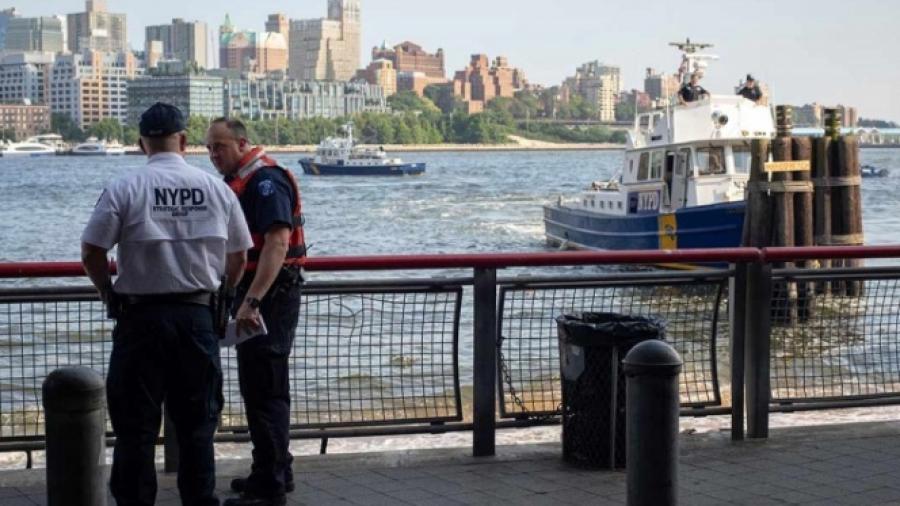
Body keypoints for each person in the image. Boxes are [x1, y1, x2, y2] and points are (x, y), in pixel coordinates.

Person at [81, 102, 252, 506]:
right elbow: (240, 256)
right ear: (184, 141)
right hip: (197, 318)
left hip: (139, 320)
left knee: (135, 430)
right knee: (198, 428)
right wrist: (225, 296)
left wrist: (108, 292)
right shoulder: (217, 189)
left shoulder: (124, 188)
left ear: (143, 144)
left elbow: (91, 251)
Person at [205, 118, 307, 506]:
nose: (213, 154)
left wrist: (252, 301)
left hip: (269, 297)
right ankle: (275, 469)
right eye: (209, 147)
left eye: (220, 146)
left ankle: (269, 487)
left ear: (242, 143)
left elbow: (277, 244)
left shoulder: (265, 181)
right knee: (262, 385)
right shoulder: (247, 180)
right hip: (262, 294)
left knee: (264, 388)